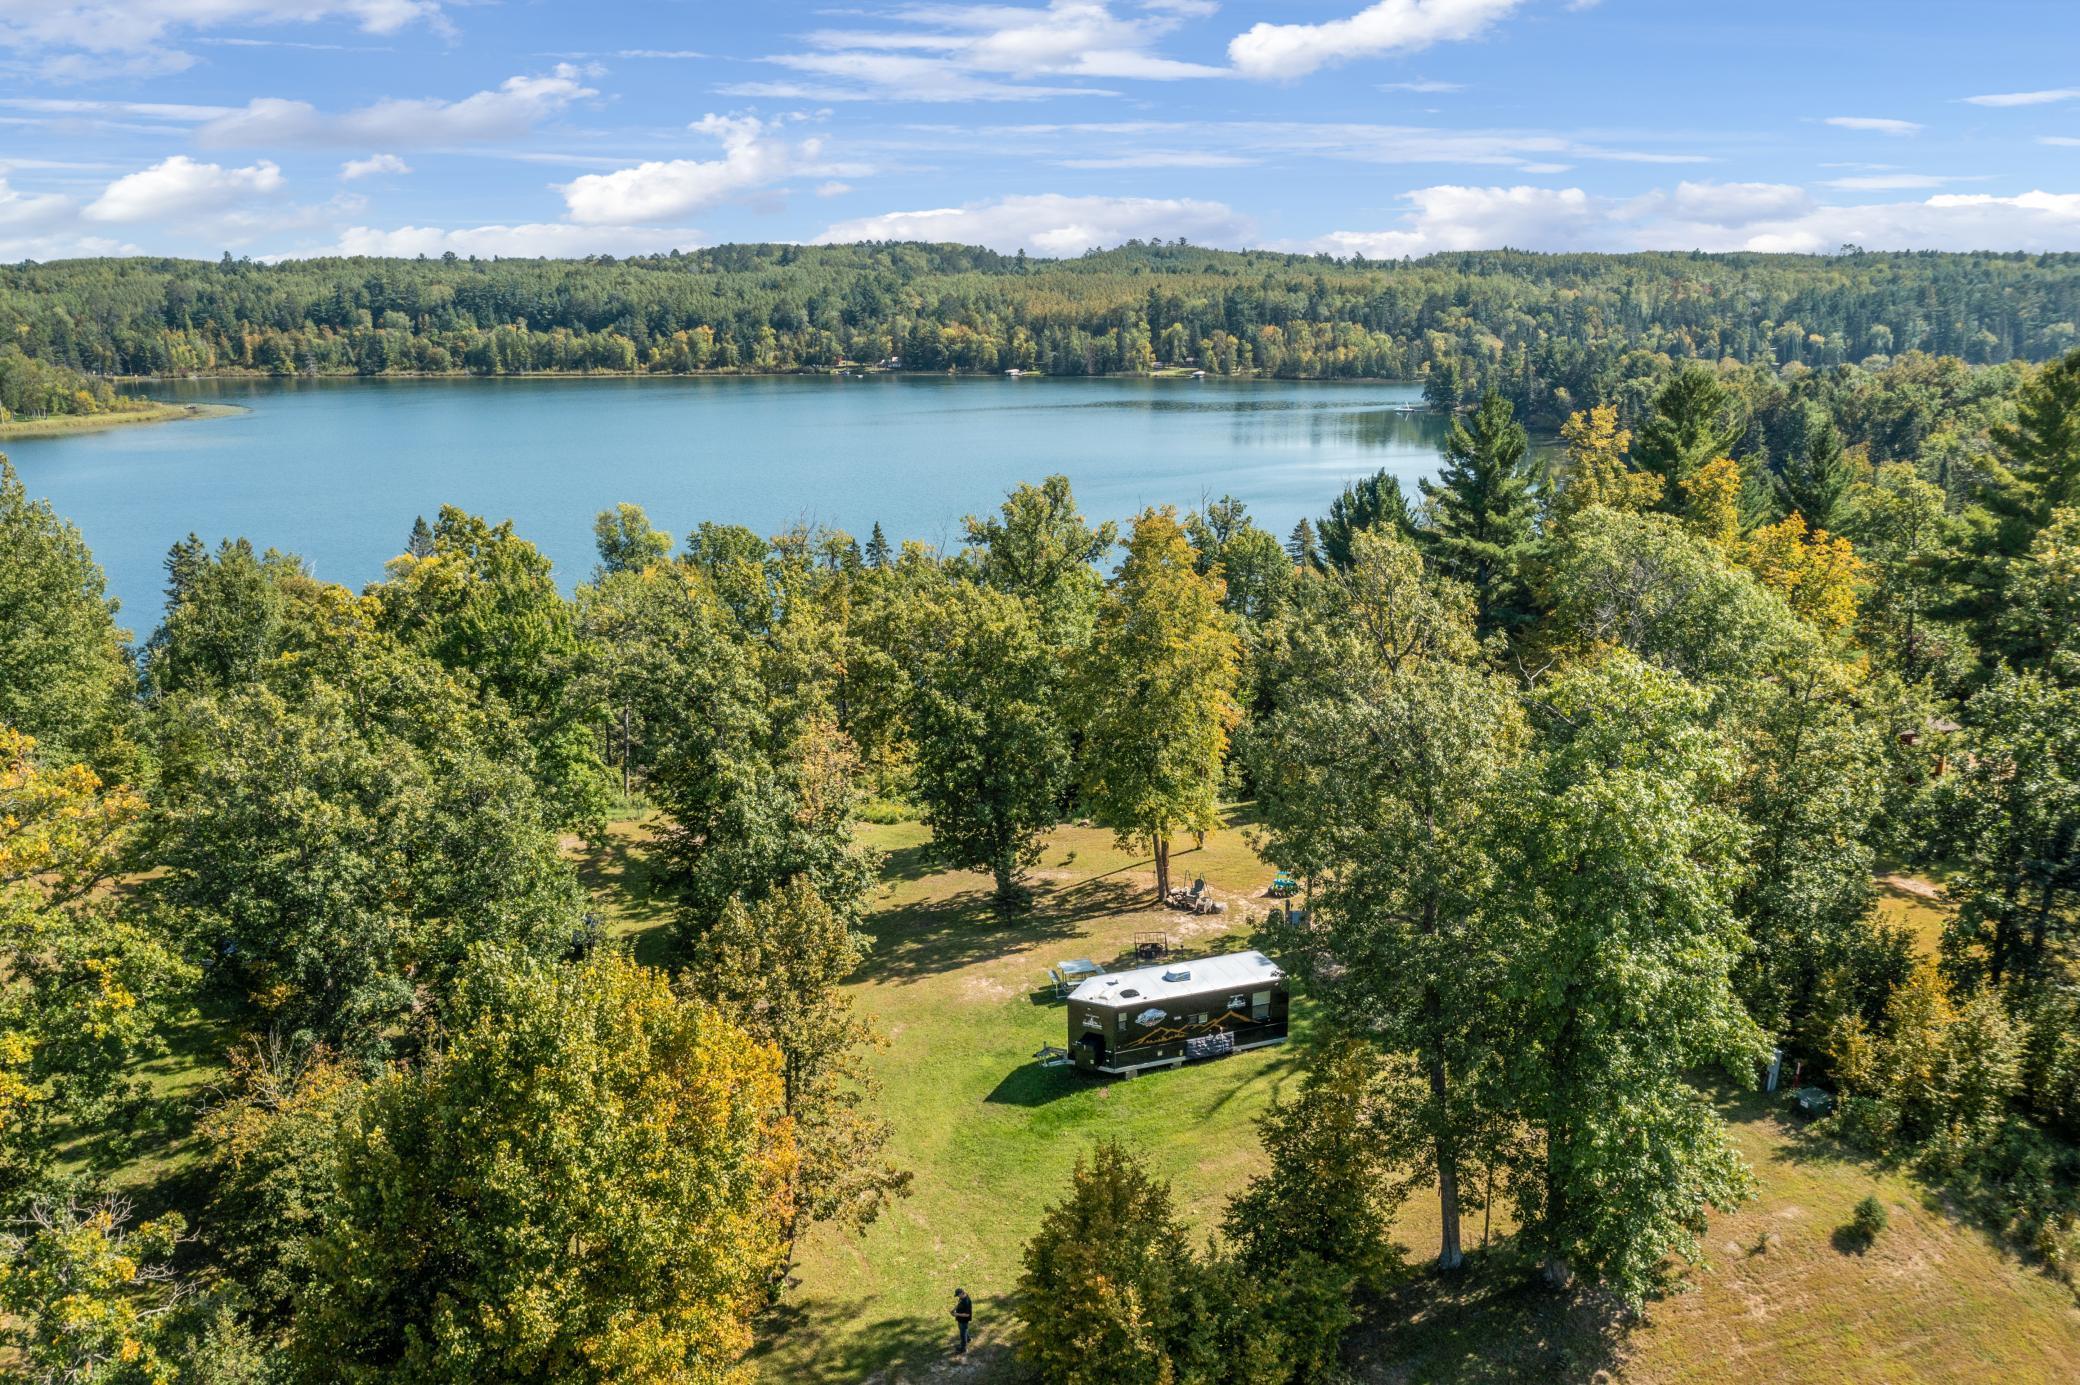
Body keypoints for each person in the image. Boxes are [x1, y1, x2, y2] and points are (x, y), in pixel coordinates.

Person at [952, 1286, 974, 1356]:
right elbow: (958, 1304)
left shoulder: (966, 1301)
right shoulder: (961, 1297)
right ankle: (968, 1339)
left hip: (964, 1320)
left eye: (958, 1295)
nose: (958, 1297)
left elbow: (967, 1315)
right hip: (960, 1319)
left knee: (962, 1334)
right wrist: (953, 1310)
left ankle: (963, 1348)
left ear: (962, 1293)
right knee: (963, 1330)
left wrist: (957, 1314)